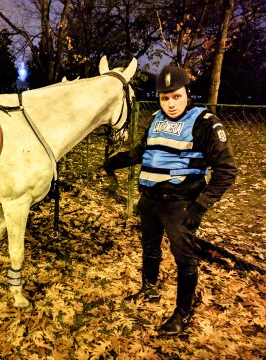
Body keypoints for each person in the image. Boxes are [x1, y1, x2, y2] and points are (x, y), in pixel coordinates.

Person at [103, 65, 237, 336]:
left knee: (184, 260)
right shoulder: (155, 118)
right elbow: (144, 151)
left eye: (176, 96)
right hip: (150, 200)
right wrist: (116, 161)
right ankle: (149, 288)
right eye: (165, 98)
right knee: (150, 248)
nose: (171, 103)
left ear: (187, 92)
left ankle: (182, 313)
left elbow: (227, 170)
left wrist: (200, 206)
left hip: (180, 205)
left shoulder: (205, 123)